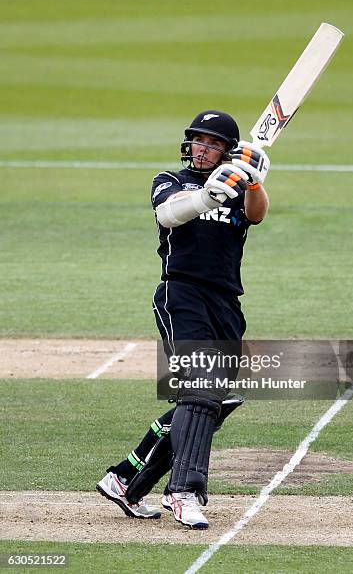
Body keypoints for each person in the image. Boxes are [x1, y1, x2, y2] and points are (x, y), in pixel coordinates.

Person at [96, 110, 270, 528]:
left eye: (212, 143)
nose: (202, 148)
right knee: (200, 390)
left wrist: (253, 178)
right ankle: (183, 491)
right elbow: (169, 215)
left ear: (226, 150)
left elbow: (258, 214)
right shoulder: (171, 180)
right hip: (180, 293)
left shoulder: (236, 184)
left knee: (217, 399)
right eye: (198, 140)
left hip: (226, 300)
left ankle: (125, 478)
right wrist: (209, 196)